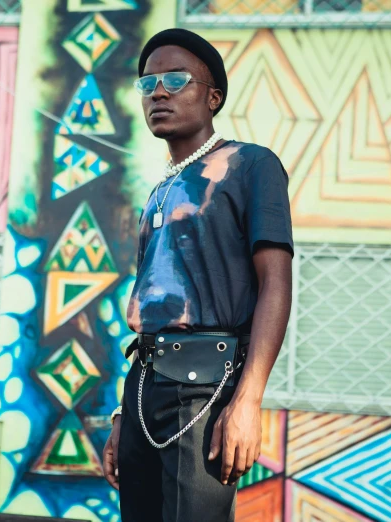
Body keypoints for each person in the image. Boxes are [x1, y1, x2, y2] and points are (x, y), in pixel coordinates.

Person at [101, 28, 294, 522]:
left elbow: (276, 282)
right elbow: (153, 302)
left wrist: (248, 402)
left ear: (213, 97)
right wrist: (125, 414)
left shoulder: (250, 165)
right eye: (148, 84)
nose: (158, 92)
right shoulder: (160, 189)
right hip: (143, 382)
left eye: (175, 79)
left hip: (206, 384)